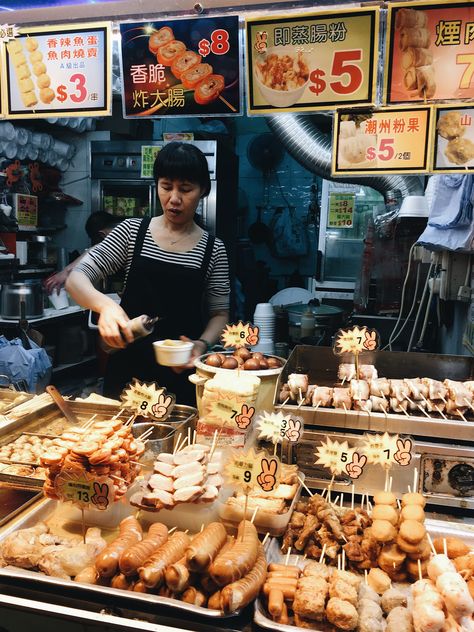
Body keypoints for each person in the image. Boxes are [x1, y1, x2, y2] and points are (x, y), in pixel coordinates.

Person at [66, 142, 230, 404]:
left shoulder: (213, 249)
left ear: (203, 191)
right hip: (128, 376)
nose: (174, 198)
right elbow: (77, 278)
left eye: (185, 189)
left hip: (183, 376)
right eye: (166, 186)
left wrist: (201, 345)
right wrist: (106, 307)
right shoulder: (132, 233)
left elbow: (220, 314)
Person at [44, 211, 121, 295]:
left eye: (95, 240)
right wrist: (66, 271)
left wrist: (66, 272)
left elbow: (99, 248)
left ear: (102, 234)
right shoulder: (128, 229)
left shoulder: (121, 238)